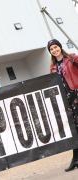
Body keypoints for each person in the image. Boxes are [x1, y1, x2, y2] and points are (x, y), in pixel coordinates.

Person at [47, 39, 78, 172]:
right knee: (74, 129)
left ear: (60, 47)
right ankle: (76, 158)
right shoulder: (53, 67)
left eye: (55, 47)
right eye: (51, 49)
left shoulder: (71, 58)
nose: (54, 50)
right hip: (66, 99)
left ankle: (75, 158)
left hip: (76, 94)